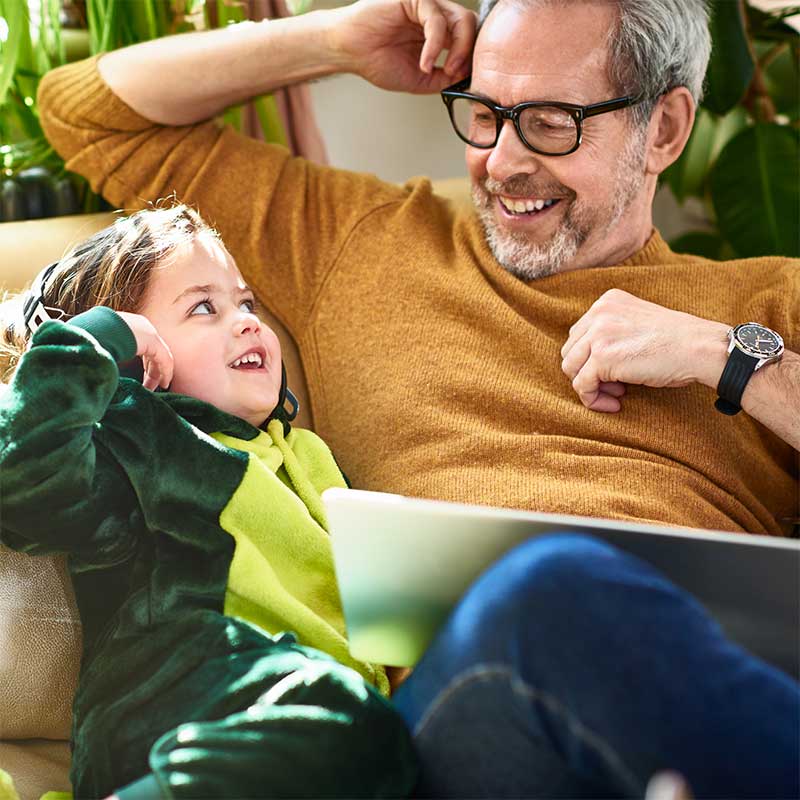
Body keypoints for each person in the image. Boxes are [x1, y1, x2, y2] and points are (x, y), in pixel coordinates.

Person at [32, 0, 800, 795]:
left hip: (715, 707)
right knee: (547, 589)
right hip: (465, 723)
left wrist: (725, 357)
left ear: (666, 128)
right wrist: (329, 40)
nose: (502, 162)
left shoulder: (768, 306)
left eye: (546, 122)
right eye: (485, 113)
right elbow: (88, 114)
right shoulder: (365, 239)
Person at [0, 205, 417, 799]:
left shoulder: (307, 454)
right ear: (141, 358)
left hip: (320, 716)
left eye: (246, 304)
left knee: (383, 733)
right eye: (204, 308)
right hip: (173, 705)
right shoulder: (137, 438)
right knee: (350, 726)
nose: (248, 323)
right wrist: (98, 341)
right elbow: (25, 486)